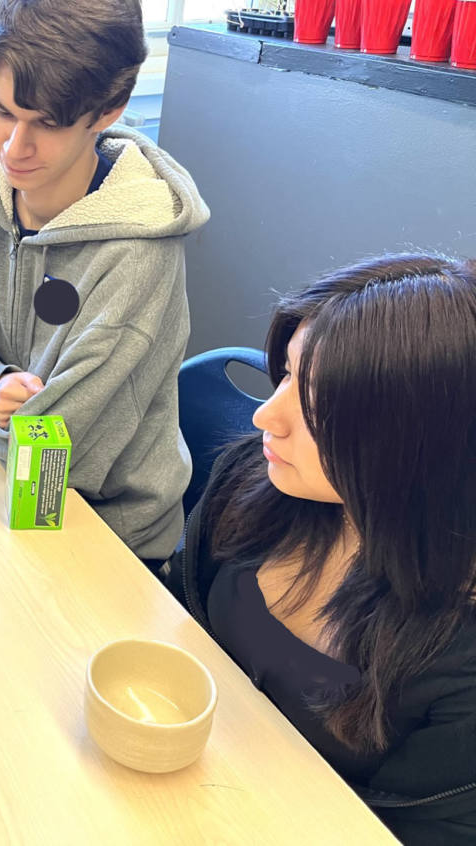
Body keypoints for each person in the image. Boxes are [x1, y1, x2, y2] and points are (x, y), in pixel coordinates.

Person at [169, 255, 476, 843]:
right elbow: (176, 608)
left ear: (418, 442)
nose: (267, 415)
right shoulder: (254, 479)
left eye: (317, 405)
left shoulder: (459, 657)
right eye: (285, 374)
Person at [0, 0, 209, 565]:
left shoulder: (136, 258)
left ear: (109, 109)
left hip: (108, 536)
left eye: (47, 123)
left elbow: (52, 458)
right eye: (2, 111)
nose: (13, 148)